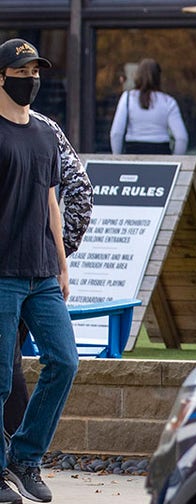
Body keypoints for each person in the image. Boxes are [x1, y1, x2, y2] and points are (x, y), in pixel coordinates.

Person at [0, 38, 80, 504]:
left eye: (36, 71)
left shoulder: (46, 134)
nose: (31, 79)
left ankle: (25, 458)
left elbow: (52, 201)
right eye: (22, 70)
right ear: (2, 76)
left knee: (64, 361)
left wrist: (62, 264)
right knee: (1, 379)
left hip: (42, 273)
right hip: (3, 272)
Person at [4, 108, 92, 443]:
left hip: (32, 270)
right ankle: (15, 454)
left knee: (27, 363)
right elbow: (81, 192)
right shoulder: (46, 127)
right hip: (31, 266)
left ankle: (18, 453)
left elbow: (69, 195)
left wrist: (57, 255)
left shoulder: (42, 129)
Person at [109, 58, 188, 154]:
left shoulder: (128, 98)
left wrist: (117, 159)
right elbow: (181, 138)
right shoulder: (168, 101)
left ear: (137, 76)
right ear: (159, 77)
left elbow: (116, 134)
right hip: (161, 154)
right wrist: (176, 161)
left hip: (133, 153)